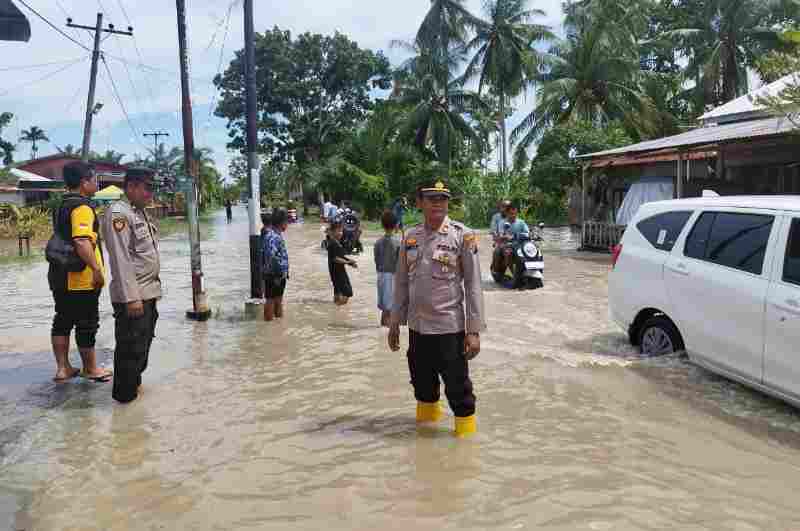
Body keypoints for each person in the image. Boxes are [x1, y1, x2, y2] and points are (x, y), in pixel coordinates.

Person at [388, 179, 486, 438]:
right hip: (418, 329)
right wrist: (395, 322)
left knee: (459, 391)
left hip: (449, 329)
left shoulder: (462, 236)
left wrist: (473, 331)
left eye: (442, 198)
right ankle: (426, 448)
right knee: (422, 387)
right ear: (420, 202)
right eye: (431, 198)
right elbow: (401, 282)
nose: (437, 203)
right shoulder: (410, 238)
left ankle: (466, 449)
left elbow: (473, 285)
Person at [48, 161, 112, 383]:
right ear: (84, 182)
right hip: (79, 277)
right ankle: (91, 368)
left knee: (62, 320)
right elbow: (82, 241)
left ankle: (63, 368)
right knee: (87, 322)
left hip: (58, 274)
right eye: (94, 179)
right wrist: (96, 269)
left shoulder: (60, 205)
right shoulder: (82, 207)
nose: (97, 183)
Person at [102, 167, 162, 403]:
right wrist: (131, 297)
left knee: (142, 348)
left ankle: (134, 393)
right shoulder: (119, 213)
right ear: (131, 187)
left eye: (152, 188)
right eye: (147, 188)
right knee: (130, 351)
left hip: (148, 293)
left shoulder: (139, 212)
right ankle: (124, 404)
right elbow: (120, 258)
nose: (150, 193)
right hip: (133, 297)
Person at [262, 208, 289, 321]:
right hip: (274, 275)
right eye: (286, 222)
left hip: (278, 275)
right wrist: (277, 274)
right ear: (282, 222)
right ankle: (268, 325)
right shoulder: (272, 236)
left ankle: (278, 326)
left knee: (278, 299)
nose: (287, 225)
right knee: (271, 299)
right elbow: (271, 256)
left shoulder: (275, 235)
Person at [374, 210, 400, 327]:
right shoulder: (398, 243)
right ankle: (387, 333)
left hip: (381, 275)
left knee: (385, 308)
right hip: (393, 276)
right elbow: (401, 263)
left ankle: (382, 330)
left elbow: (376, 260)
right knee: (391, 308)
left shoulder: (377, 242)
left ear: (382, 225)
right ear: (396, 225)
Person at [327, 220, 357, 305]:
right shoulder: (333, 243)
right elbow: (335, 258)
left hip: (335, 271)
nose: (341, 233)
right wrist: (348, 262)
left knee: (337, 291)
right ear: (332, 232)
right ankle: (339, 308)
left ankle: (335, 311)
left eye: (341, 231)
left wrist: (350, 262)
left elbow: (340, 257)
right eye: (338, 231)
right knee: (348, 292)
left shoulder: (336, 242)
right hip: (338, 273)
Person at [498, 201, 530, 273]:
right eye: (511, 214)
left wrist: (532, 235)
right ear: (506, 213)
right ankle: (512, 273)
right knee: (508, 253)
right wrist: (506, 237)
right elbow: (501, 235)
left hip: (520, 244)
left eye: (515, 213)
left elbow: (527, 232)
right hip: (507, 244)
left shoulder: (521, 222)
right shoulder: (502, 223)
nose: (514, 215)